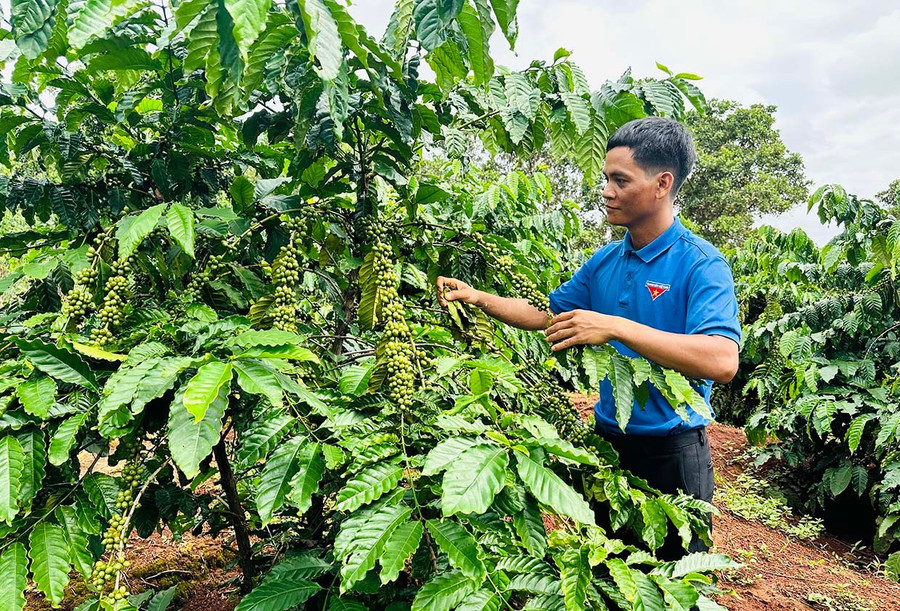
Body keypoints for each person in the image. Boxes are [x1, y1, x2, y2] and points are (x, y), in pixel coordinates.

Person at [435, 116, 741, 558]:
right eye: (605, 179)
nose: (606, 191)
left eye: (620, 180)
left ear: (662, 183)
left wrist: (615, 326)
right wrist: (480, 297)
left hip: (672, 455)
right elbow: (546, 313)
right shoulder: (605, 261)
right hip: (607, 446)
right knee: (606, 575)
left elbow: (721, 360)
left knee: (676, 586)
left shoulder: (701, 265)